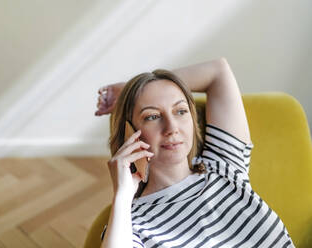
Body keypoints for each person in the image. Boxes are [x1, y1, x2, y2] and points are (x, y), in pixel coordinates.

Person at [95, 58, 295, 248]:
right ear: (129, 132)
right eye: (153, 116)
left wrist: (135, 88)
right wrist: (122, 195)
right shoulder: (132, 223)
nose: (172, 128)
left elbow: (218, 71)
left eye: (180, 111)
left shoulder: (223, 164)